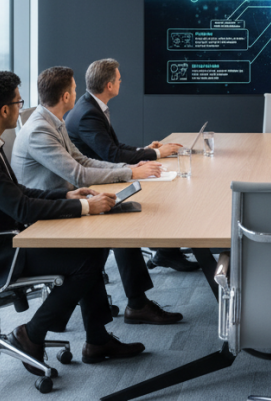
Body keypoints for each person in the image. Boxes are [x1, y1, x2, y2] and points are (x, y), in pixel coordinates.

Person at [0, 71, 144, 374]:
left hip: (1, 238)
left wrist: (66, 194)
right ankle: (32, 333)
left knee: (93, 248)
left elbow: (17, 192)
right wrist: (84, 206)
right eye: (18, 101)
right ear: (5, 110)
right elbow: (21, 207)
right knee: (87, 259)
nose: (23, 106)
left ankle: (97, 340)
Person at [12, 66, 184, 325]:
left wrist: (128, 169)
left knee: (123, 216)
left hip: (66, 198)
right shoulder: (39, 130)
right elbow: (79, 173)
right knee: (120, 228)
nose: (77, 90)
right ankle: (133, 308)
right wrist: (128, 173)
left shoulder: (52, 122)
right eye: (73, 87)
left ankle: (112, 326)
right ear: (66, 97)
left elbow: (82, 160)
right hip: (46, 212)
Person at [65, 58, 198, 273]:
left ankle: (167, 252)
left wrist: (143, 150)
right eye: (118, 79)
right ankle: (161, 261)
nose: (120, 82)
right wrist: (155, 153)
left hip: (106, 172)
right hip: (98, 182)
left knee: (163, 187)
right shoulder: (88, 114)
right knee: (158, 192)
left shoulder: (90, 105)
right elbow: (112, 154)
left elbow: (113, 147)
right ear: (109, 86)